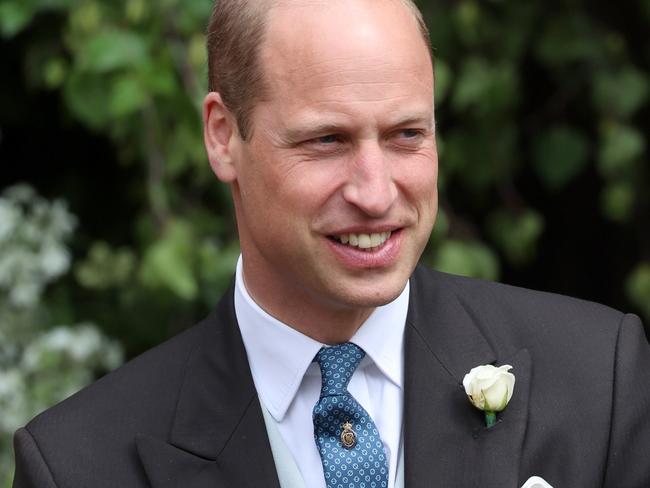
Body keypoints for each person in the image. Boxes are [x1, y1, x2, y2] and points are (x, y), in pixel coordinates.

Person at [12, 0, 650, 487]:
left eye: (406, 135)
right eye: (326, 141)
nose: (375, 194)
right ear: (222, 136)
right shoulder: (79, 465)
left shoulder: (600, 377)